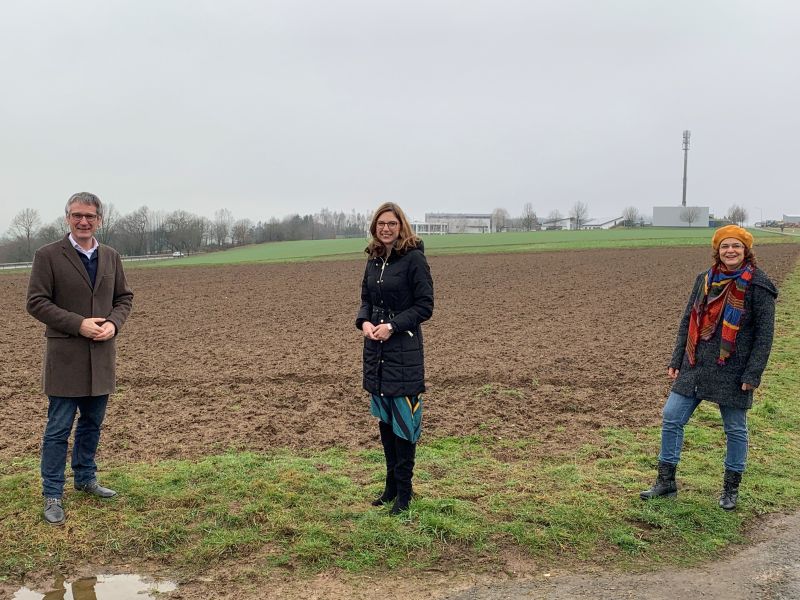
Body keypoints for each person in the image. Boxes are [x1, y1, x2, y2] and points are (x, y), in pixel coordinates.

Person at [640, 225, 777, 510]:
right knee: (672, 416)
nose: (730, 251)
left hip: (734, 369)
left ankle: (730, 490)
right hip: (697, 363)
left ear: (746, 250)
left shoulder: (759, 285)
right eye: (725, 246)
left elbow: (765, 335)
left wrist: (753, 374)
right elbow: (687, 322)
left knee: (735, 428)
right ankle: (666, 482)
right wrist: (677, 359)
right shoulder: (704, 279)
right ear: (718, 250)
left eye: (736, 246)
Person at [26, 192, 134, 525]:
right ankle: (53, 494)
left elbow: (124, 298)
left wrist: (113, 325)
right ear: (67, 218)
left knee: (91, 424)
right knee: (58, 429)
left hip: (101, 358)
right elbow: (37, 302)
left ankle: (86, 479)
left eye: (90, 216)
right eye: (77, 215)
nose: (83, 221)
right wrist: (79, 324)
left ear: (100, 219)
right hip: (66, 358)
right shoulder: (47, 256)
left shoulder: (111, 256)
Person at [356, 202, 434, 515]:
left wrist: (392, 325)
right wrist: (364, 322)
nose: (386, 228)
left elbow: (425, 306)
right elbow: (365, 299)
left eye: (392, 223)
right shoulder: (374, 259)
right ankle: (390, 488)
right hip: (377, 353)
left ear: (401, 225)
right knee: (386, 424)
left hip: (404, 352)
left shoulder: (414, 258)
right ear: (375, 227)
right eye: (381, 224)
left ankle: (404, 493)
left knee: (405, 425)